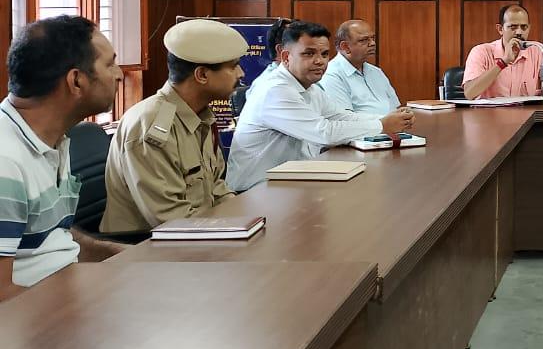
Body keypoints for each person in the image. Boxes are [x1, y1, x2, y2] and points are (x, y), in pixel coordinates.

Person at [0, 16, 125, 299]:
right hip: (37, 321)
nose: (118, 75)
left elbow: (54, 241)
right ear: (76, 81)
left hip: (67, 300)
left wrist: (128, 258)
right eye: (109, 65)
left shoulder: (54, 138)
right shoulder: (5, 162)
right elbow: (2, 296)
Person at [227, 20, 414, 192]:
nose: (320, 61)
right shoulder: (275, 90)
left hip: (292, 181)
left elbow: (341, 116)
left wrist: (391, 119)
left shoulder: (310, 87)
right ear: (285, 57)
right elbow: (324, 133)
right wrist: (381, 125)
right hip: (256, 190)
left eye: (324, 54)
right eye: (309, 53)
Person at [102, 19, 248, 234]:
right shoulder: (151, 126)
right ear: (202, 75)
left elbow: (217, 191)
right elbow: (172, 222)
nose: (241, 73)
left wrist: (248, 222)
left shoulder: (201, 117)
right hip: (147, 246)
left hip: (200, 235)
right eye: (233, 66)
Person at [463, 5, 543, 103]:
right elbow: (469, 93)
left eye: (524, 27)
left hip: (526, 114)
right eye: (513, 27)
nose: (519, 32)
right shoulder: (481, 51)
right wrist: (503, 62)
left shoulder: (538, 51)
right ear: (500, 29)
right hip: (488, 114)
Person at [317, 19, 401, 115]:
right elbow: (344, 119)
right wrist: (387, 121)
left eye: (373, 38)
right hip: (367, 125)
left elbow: (396, 108)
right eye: (364, 40)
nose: (373, 43)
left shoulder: (376, 72)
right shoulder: (331, 74)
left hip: (393, 124)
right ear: (345, 47)